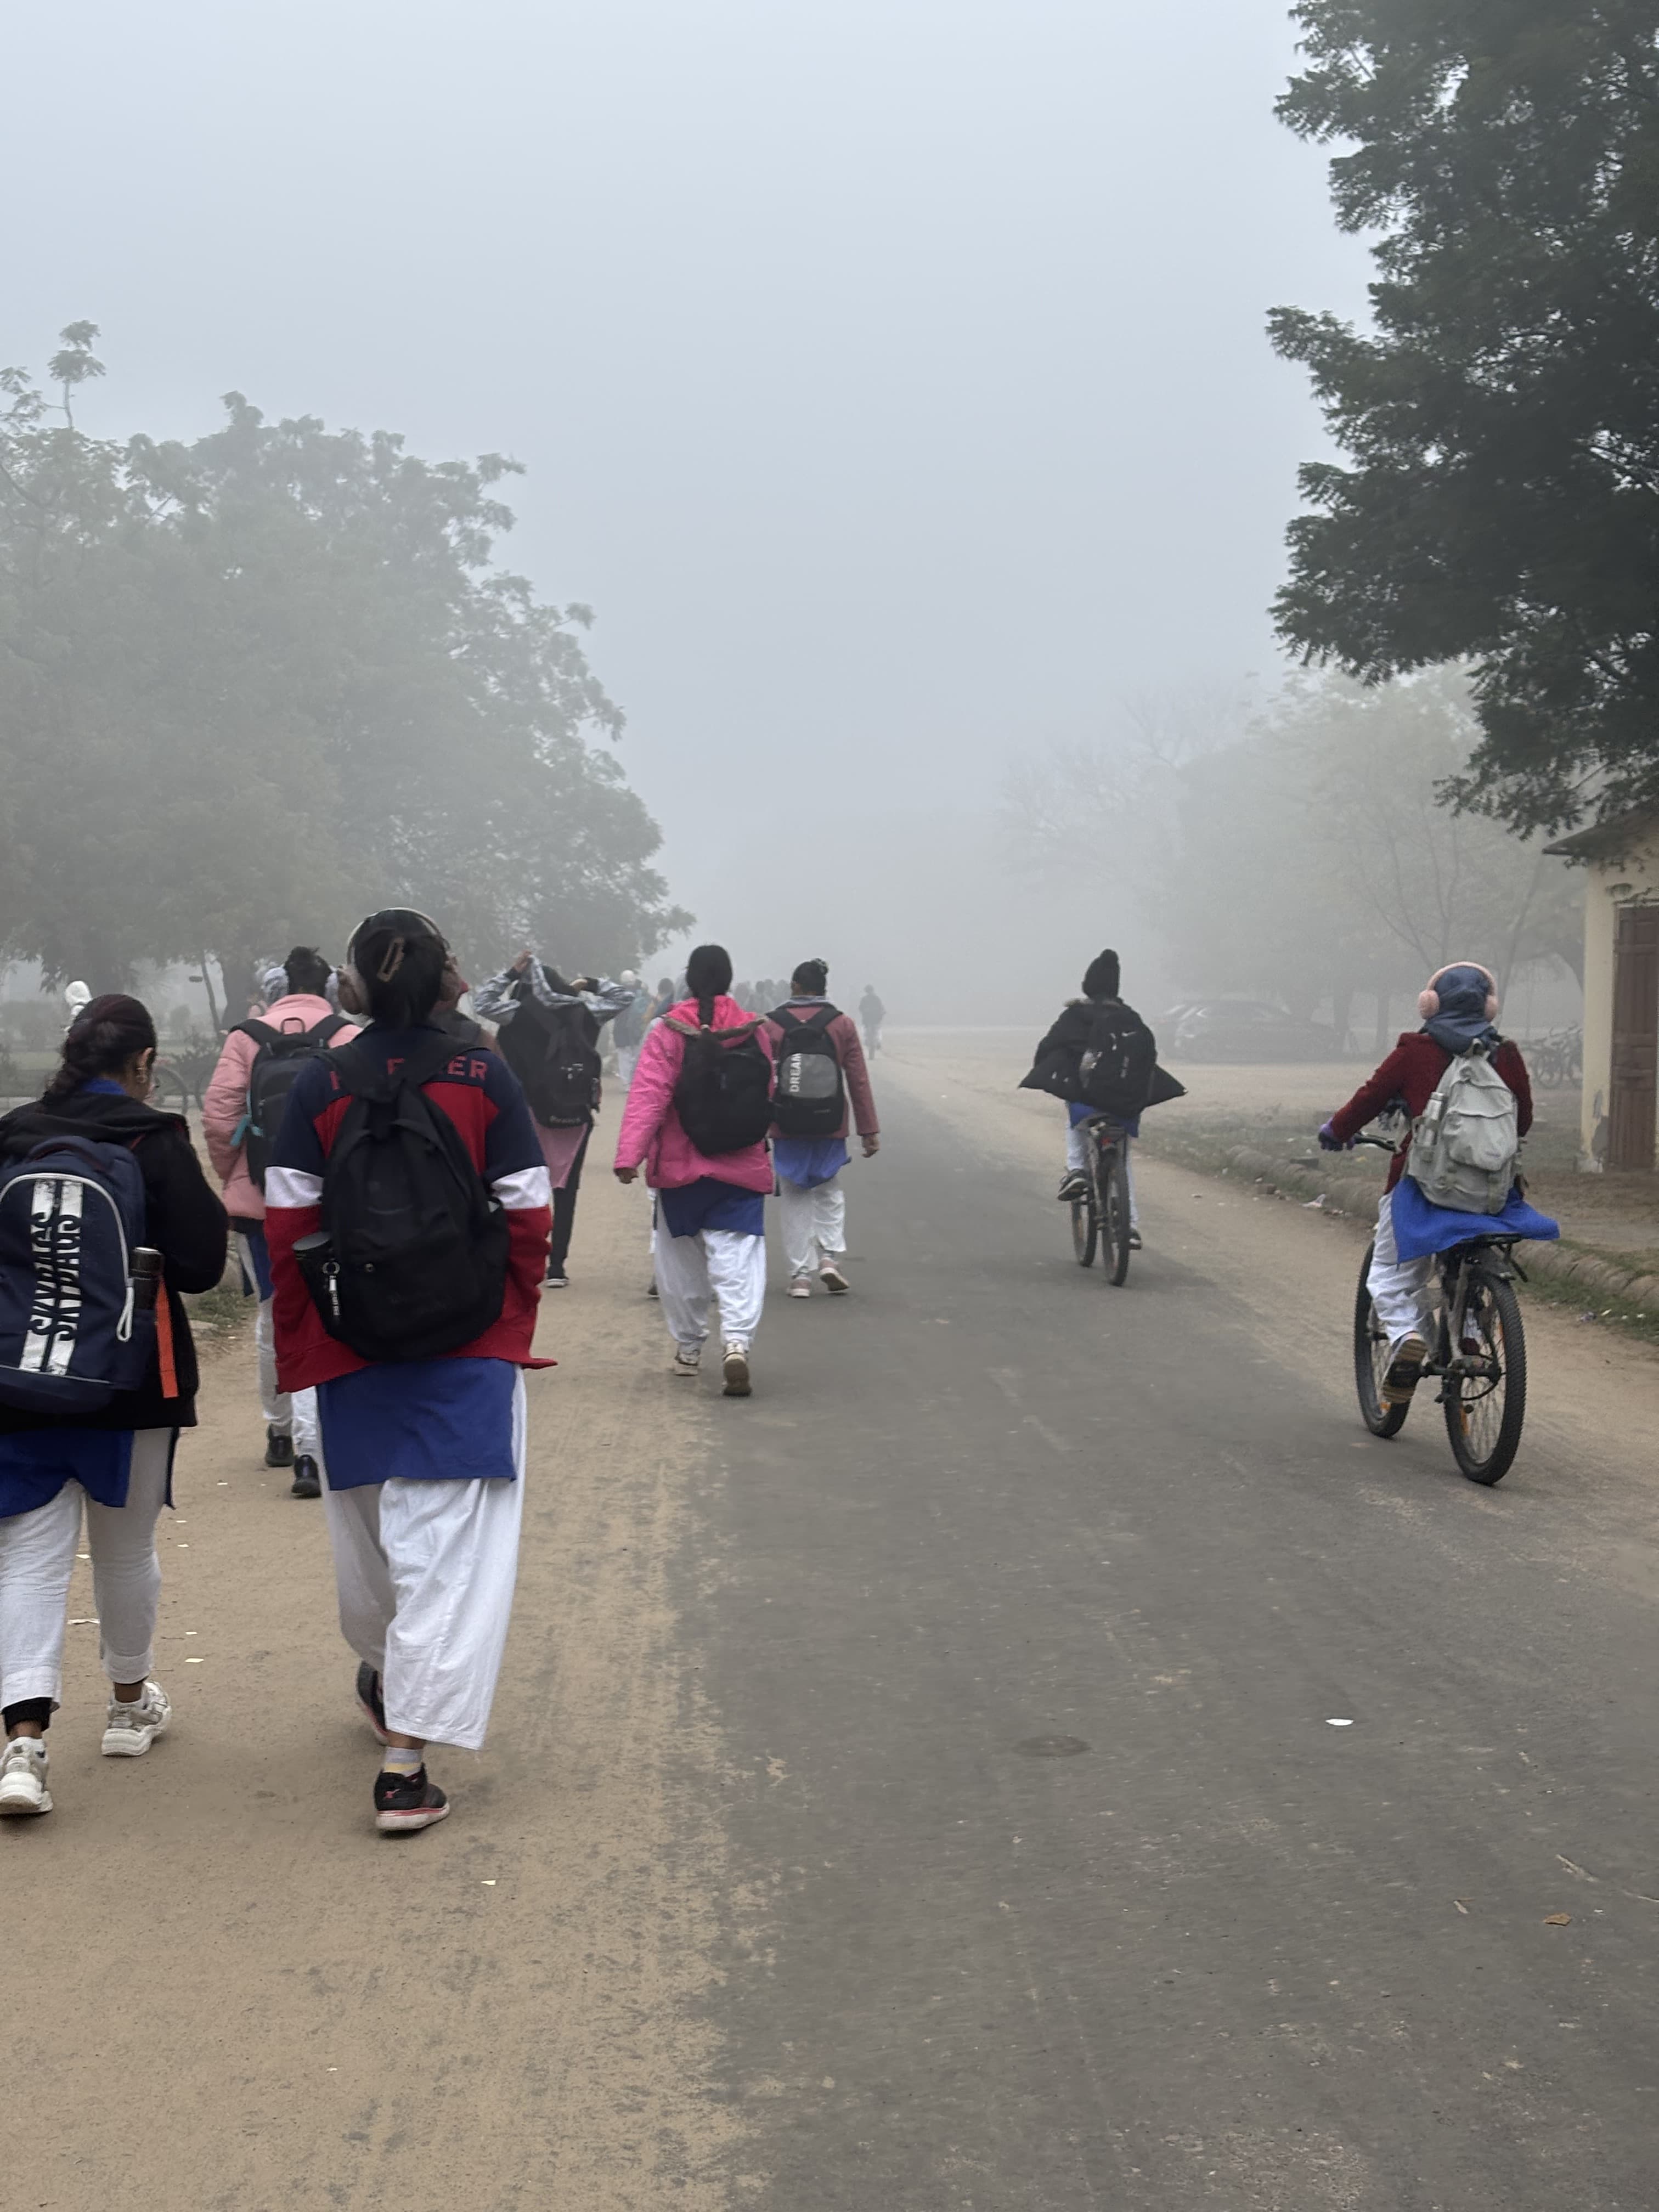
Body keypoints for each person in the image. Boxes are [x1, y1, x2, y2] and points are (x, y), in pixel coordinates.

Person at [266, 909, 551, 1836]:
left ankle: (390, 1685)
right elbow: (526, 1207)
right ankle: (403, 1765)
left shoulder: (319, 1079)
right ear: (445, 980)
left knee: (374, 1554)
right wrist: (502, 1311)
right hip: (464, 1351)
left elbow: (287, 1219)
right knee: (445, 1555)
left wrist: (317, 1331)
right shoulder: (483, 1072)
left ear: (352, 983)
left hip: (353, 1348)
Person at [0, 995, 227, 1818]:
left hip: (19, 1377)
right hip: (133, 1380)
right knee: (125, 1552)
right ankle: (130, 1708)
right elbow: (202, 1266)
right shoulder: (153, 1139)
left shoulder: (15, 1131)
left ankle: (23, 1748)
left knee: (28, 1557)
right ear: (145, 1061)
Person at [1321, 962, 1533, 1406]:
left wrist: (1335, 1132)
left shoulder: (1414, 1050)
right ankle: (1471, 1337)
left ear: (1430, 1004)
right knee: (1475, 1262)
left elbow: (1370, 1097)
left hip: (1422, 1187)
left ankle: (1404, 1337)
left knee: (1388, 1276)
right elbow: (1523, 1120)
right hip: (1491, 1194)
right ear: (1488, 1007)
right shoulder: (1507, 1053)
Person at [203, 946, 355, 1499]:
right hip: (330, 1204)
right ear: (327, 988)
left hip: (261, 1204)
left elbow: (219, 1117)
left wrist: (236, 1178)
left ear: (280, 986)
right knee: (324, 1312)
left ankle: (281, 1428)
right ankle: (316, 1449)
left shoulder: (246, 1037)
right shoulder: (346, 1036)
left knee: (274, 1312)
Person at [614, 944, 774, 1396]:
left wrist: (630, 1155)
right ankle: (737, 1342)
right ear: (729, 979)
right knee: (738, 1259)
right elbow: (767, 1091)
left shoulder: (668, 1030)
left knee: (681, 1265)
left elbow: (649, 1095)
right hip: (741, 1166)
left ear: (689, 979)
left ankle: (688, 1347)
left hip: (681, 1169)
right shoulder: (754, 1029)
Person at [474, 953, 633, 1291]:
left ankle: (522, 1259)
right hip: (575, 1110)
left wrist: (509, 973)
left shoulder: (516, 1012)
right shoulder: (584, 1011)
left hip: (526, 1111)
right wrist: (587, 984)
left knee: (522, 1187)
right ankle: (557, 1265)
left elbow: (482, 1002)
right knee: (567, 1188)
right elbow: (624, 996)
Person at [764, 960, 880, 1297]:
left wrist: (759, 1128)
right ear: (824, 988)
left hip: (786, 1123)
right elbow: (858, 1079)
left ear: (795, 986)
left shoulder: (772, 1025)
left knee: (795, 1193)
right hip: (830, 1122)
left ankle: (800, 1276)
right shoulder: (841, 1024)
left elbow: (761, 1079)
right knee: (829, 1189)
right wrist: (868, 1129)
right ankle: (829, 1258)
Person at [1022, 950, 1155, 1244]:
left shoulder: (1075, 1015)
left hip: (1089, 1102)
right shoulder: (1129, 1018)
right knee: (1123, 1158)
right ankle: (1129, 1226)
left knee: (1075, 1119)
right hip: (1126, 1105)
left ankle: (1077, 1171)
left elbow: (1047, 1048)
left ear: (1087, 985)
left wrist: (1049, 1071)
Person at [612, 970, 648, 1087]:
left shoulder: (617, 993)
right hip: (637, 1029)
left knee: (624, 1057)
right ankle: (635, 1081)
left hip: (622, 1029)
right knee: (636, 1055)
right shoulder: (642, 992)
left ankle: (628, 1083)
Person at [857, 985, 885, 1058]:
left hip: (869, 1020)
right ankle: (878, 1043)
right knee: (877, 1032)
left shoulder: (865, 999)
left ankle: (871, 1042)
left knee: (869, 1032)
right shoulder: (876, 999)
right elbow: (882, 1008)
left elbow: (860, 1008)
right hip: (874, 1020)